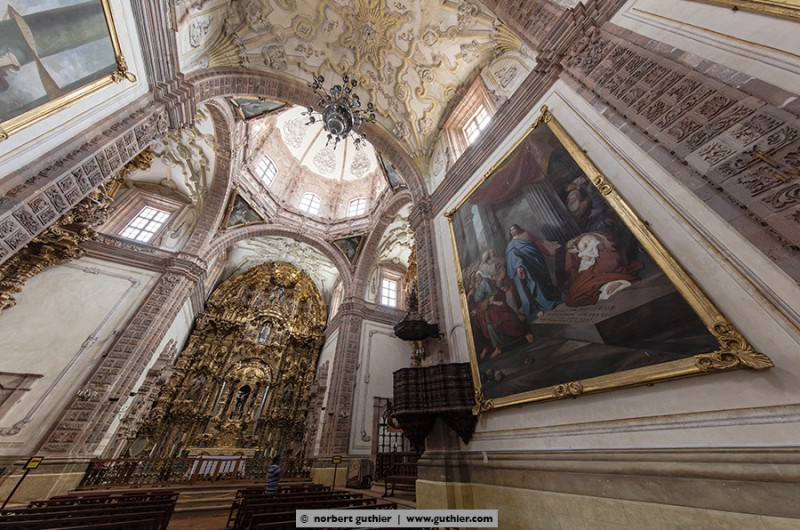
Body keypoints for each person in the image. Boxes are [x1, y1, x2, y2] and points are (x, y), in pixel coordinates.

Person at [564, 232, 644, 307]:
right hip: (610, 259)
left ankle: (613, 285)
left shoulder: (582, 242)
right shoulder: (588, 237)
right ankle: (611, 285)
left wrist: (583, 264)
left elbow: (588, 257)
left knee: (576, 293)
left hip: (604, 262)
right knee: (581, 288)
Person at [504, 224, 561, 320]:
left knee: (539, 280)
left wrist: (550, 246)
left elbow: (537, 243)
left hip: (532, 263)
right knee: (530, 284)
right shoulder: (511, 245)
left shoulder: (525, 235)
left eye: (514, 229)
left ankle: (544, 300)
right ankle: (533, 310)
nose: (512, 231)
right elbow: (512, 257)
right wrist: (518, 266)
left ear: (517, 229)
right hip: (521, 267)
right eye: (511, 230)